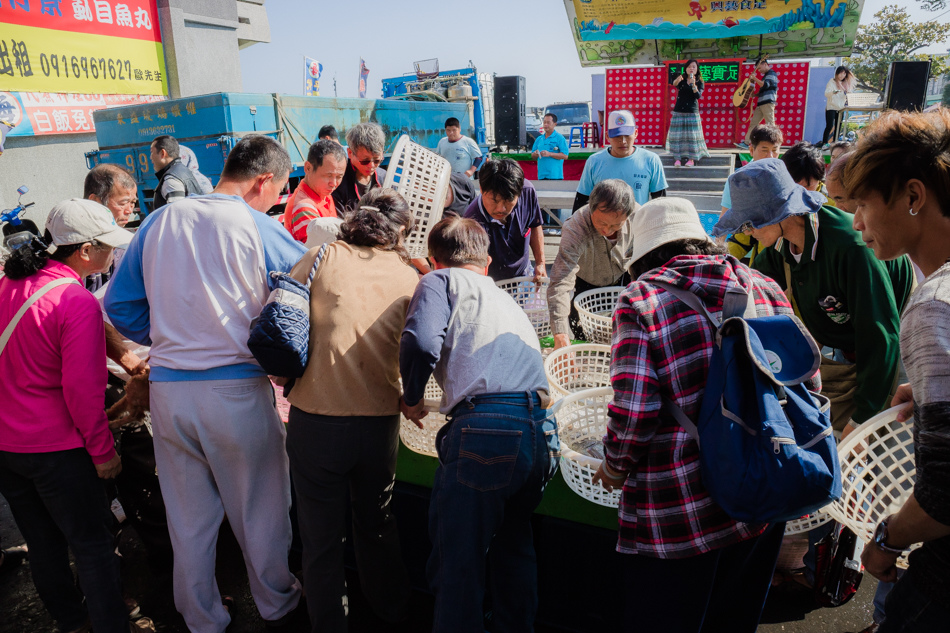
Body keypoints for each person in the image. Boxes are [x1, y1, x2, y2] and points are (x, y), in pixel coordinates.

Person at [105, 135, 306, 633]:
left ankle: (201, 616)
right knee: (259, 508)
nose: (279, 199)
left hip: (171, 393)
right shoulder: (257, 225)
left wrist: (175, 330)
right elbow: (308, 291)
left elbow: (120, 309)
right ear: (264, 181)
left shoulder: (155, 221)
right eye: (280, 190)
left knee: (187, 516)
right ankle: (277, 604)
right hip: (237, 391)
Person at [591, 197, 793, 633]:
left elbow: (635, 412)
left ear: (644, 255)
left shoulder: (641, 300)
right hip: (763, 493)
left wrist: (613, 467)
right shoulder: (763, 286)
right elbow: (804, 384)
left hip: (683, 507)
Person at [0, 199, 153, 633]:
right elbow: (83, 392)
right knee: (92, 546)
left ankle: (72, 621)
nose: (112, 254)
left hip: (7, 447)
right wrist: (103, 453)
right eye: (107, 246)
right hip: (57, 449)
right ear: (85, 251)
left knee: (44, 544)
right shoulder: (75, 300)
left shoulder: (9, 285)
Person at [400, 216, 558, 633]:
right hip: (540, 434)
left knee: (459, 562)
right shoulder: (500, 295)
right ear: (486, 262)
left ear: (434, 261)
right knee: (512, 545)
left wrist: (412, 397)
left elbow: (418, 342)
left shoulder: (439, 281)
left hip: (487, 433)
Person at [285, 188, 417, 633]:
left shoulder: (321, 258)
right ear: (397, 232)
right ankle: (392, 611)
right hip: (378, 424)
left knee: (320, 540)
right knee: (376, 522)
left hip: (314, 418)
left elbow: (283, 315)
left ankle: (329, 624)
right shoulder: (409, 274)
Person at [712, 159, 914, 436]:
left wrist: (862, 419)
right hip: (846, 349)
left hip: (893, 351)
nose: (747, 232)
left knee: (869, 444)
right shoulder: (779, 246)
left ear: (780, 215)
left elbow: (880, 335)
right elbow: (747, 285)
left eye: (749, 223)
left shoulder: (850, 248)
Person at [846, 107, 950, 633]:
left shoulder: (933, 305)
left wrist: (886, 542)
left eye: (862, 203)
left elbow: (944, 492)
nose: (857, 222)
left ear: (913, 196)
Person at [549, 179, 638, 349]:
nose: (607, 230)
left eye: (616, 225)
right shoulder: (575, 228)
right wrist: (560, 333)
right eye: (602, 223)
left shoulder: (638, 216)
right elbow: (560, 281)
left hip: (623, 280)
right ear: (591, 207)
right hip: (585, 284)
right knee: (585, 338)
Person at [463, 158, 546, 282]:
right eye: (494, 200)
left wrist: (540, 263)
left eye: (508, 200)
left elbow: (534, 225)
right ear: (481, 189)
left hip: (525, 274)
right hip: (492, 283)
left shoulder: (527, 191)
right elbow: (473, 268)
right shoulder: (471, 221)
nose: (501, 209)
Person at [574, 109, 667, 211]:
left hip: (637, 224)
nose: (622, 141)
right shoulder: (594, 161)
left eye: (627, 136)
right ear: (607, 136)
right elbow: (581, 200)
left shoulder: (651, 160)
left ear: (635, 133)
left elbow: (660, 202)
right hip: (604, 226)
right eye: (617, 136)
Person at [722, 123, 784, 263]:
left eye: (775, 150)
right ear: (751, 150)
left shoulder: (786, 178)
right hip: (747, 252)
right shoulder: (738, 180)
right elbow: (725, 217)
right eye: (764, 150)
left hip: (781, 253)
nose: (770, 156)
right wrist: (716, 256)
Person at [83, 164, 138, 292]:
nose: (129, 210)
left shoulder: (127, 242)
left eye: (133, 202)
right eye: (123, 203)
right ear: (96, 201)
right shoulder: (77, 243)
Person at [283, 139, 347, 242]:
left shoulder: (324, 194)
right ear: (308, 168)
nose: (334, 184)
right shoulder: (304, 207)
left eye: (339, 177)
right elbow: (322, 252)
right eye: (328, 176)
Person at [333, 122, 387, 213]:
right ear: (350, 153)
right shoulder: (338, 183)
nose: (372, 166)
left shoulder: (384, 177)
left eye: (377, 160)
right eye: (365, 161)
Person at [148, 135, 211, 212]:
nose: (150, 157)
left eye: (151, 152)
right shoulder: (185, 171)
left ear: (162, 153)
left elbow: (176, 215)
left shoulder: (172, 180)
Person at [667, 59, 710, 167]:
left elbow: (698, 96)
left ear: (697, 69)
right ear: (686, 68)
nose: (691, 68)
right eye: (689, 66)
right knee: (678, 137)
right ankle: (677, 159)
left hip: (692, 111)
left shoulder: (700, 81)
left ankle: (691, 159)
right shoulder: (681, 79)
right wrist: (678, 80)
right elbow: (674, 84)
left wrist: (693, 85)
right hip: (679, 111)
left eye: (694, 67)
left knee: (692, 137)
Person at [737, 56, 779, 150]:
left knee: (770, 123)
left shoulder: (772, 73)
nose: (759, 70)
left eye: (759, 68)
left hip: (767, 102)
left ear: (765, 64)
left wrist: (754, 78)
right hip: (761, 103)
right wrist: (755, 95)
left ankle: (774, 143)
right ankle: (747, 142)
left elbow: (766, 85)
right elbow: (764, 88)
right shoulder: (765, 76)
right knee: (754, 123)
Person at [822, 66, 854, 148]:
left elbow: (849, 95)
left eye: (844, 73)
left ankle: (835, 143)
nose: (842, 75)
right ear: (837, 73)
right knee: (829, 125)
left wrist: (848, 93)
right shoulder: (832, 81)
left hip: (841, 108)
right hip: (831, 107)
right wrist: (833, 92)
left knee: (838, 126)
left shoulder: (846, 84)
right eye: (840, 73)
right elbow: (826, 93)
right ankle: (824, 143)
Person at [530, 113, 569, 179]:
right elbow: (532, 156)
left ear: (555, 124)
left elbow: (565, 156)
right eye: (544, 122)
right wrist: (536, 154)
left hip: (555, 176)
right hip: (541, 176)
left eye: (548, 122)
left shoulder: (560, 138)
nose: (545, 125)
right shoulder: (539, 139)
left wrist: (550, 154)